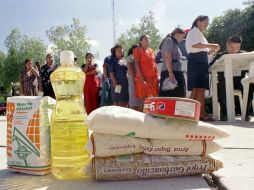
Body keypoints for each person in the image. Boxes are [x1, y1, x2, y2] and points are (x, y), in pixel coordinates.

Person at [209, 36, 253, 121]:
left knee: (249, 85)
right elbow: (210, 68)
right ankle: (224, 113)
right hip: (224, 81)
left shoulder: (243, 55)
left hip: (239, 81)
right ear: (227, 45)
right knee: (222, 85)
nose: (234, 50)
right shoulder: (220, 56)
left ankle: (246, 114)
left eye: (237, 48)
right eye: (231, 47)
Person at [186, 15, 220, 121]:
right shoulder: (194, 31)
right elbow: (195, 45)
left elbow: (204, 50)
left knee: (200, 89)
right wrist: (212, 45)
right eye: (205, 22)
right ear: (198, 22)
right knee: (197, 88)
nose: (207, 25)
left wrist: (211, 50)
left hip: (201, 61)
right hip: (196, 61)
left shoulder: (200, 34)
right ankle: (199, 113)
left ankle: (195, 113)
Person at [159, 28, 186, 97]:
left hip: (175, 72)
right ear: (176, 34)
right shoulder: (169, 40)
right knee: (170, 97)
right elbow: (167, 56)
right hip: (171, 73)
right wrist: (170, 72)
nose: (182, 39)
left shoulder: (175, 44)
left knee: (178, 97)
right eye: (182, 36)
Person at [133, 35, 159, 109]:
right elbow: (137, 65)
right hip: (143, 78)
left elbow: (154, 64)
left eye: (149, 38)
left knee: (153, 98)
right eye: (145, 39)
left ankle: (152, 115)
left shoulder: (151, 50)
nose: (148, 40)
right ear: (140, 41)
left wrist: (157, 75)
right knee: (145, 99)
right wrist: (142, 79)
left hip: (153, 78)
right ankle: (143, 117)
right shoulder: (137, 50)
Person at [127, 44, 143, 111]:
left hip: (140, 79)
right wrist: (134, 79)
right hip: (134, 79)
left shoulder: (140, 56)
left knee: (140, 98)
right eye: (136, 49)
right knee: (134, 97)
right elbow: (130, 69)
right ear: (133, 50)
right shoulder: (131, 57)